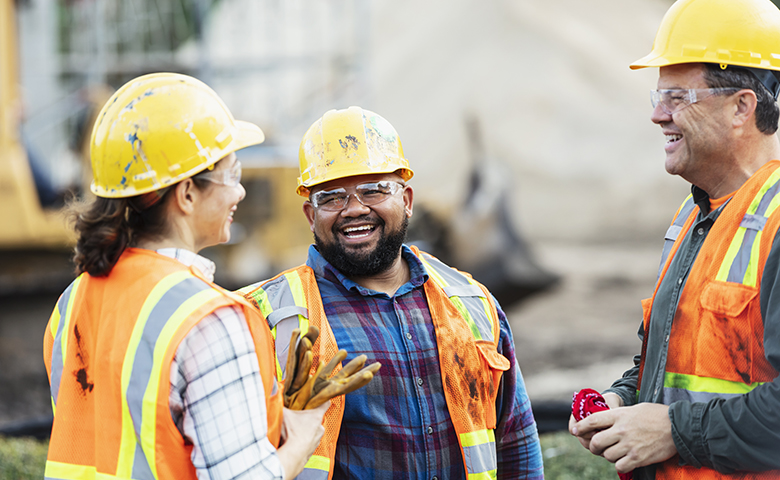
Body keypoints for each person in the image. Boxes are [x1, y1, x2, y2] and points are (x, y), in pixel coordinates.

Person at [42, 72, 329, 480]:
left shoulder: (72, 302)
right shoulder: (211, 319)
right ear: (187, 194)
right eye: (232, 174)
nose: (240, 192)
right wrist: (301, 438)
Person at [241, 106, 544, 480]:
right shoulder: (263, 317)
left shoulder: (471, 301)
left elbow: (515, 441)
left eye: (374, 190)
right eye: (332, 197)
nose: (354, 209)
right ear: (309, 215)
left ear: (408, 200)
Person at [569, 0, 780, 478]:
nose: (658, 115)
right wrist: (623, 397)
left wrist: (672, 431)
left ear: (742, 106)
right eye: (657, 97)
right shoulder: (694, 212)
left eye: (678, 97)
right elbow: (681, 365)